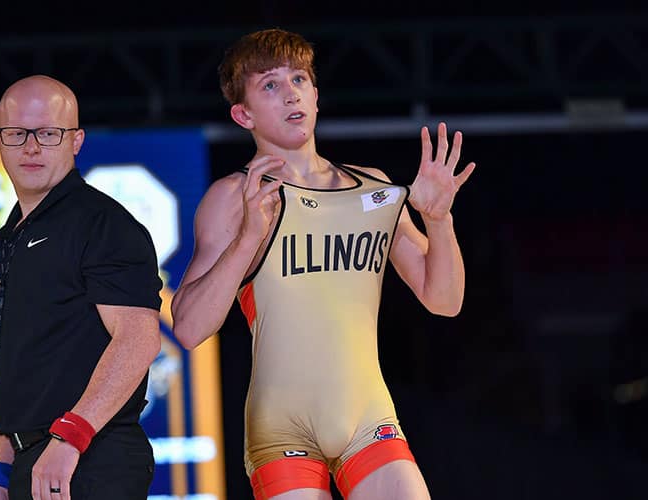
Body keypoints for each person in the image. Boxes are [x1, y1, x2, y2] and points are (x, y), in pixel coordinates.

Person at [171, 28, 474, 500]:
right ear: (242, 113)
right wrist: (251, 233)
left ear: (316, 95)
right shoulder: (234, 198)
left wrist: (439, 221)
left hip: (369, 419)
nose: (290, 92)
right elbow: (188, 328)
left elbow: (445, 301)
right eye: (269, 85)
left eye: (299, 79)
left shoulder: (371, 188)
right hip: (282, 431)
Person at [0, 75, 163, 500]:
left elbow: (138, 339)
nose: (31, 146)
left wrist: (70, 439)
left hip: (87, 458)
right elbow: (13, 365)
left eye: (48, 133)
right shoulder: (12, 235)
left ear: (76, 140)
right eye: (17, 133)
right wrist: (0, 477)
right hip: (35, 463)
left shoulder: (102, 224)